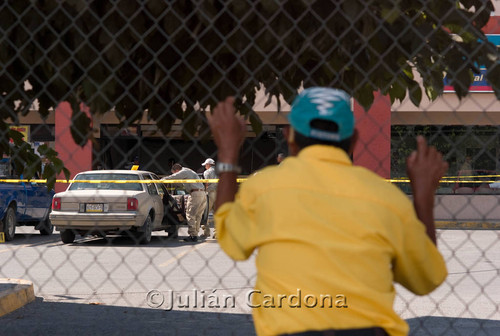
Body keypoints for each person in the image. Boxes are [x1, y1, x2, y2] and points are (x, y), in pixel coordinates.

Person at [207, 87, 448, 336]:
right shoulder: (387, 198)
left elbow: (231, 241)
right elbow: (425, 278)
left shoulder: (264, 188)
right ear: (354, 139)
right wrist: (423, 197)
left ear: (289, 137)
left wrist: (228, 153)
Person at [162, 163, 207, 242]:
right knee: (198, 215)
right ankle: (195, 234)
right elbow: (179, 182)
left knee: (190, 214)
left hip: (195, 194)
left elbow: (174, 177)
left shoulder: (184, 171)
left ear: (176, 170)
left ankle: (193, 235)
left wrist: (163, 180)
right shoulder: (189, 172)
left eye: (174, 172)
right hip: (202, 194)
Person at [201, 158, 217, 238]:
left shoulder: (207, 172)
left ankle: (206, 231)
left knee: (205, 213)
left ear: (208, 165)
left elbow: (206, 183)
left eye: (205, 165)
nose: (205, 167)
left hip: (210, 193)